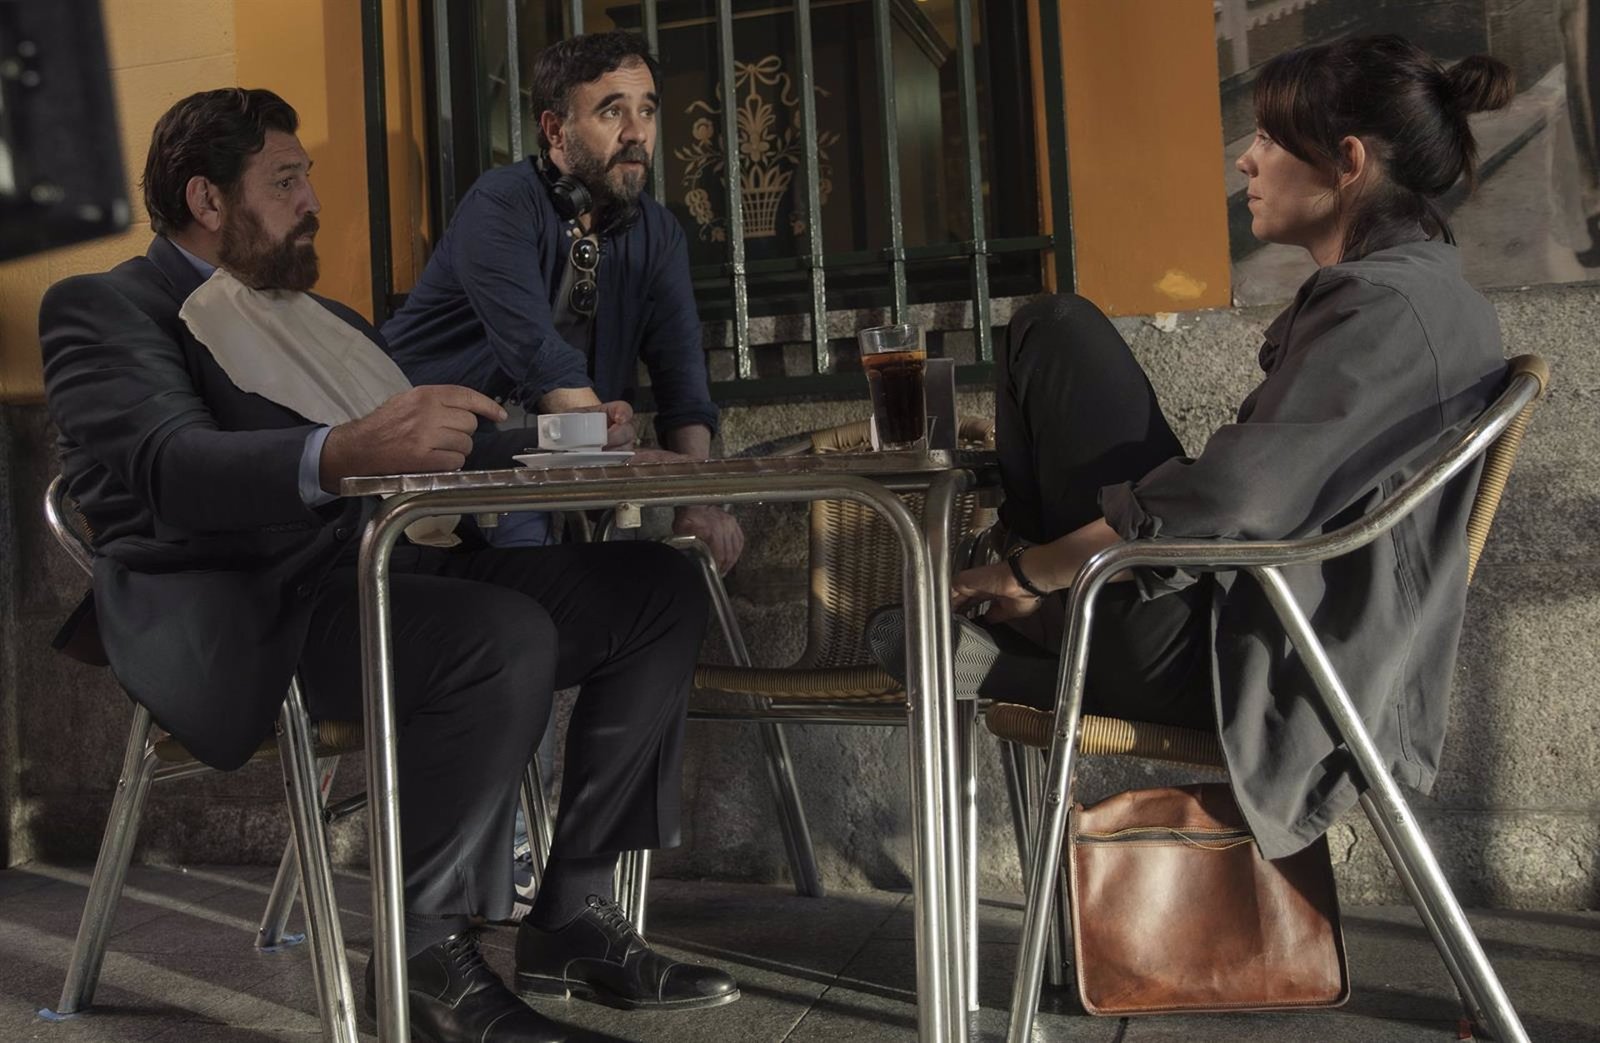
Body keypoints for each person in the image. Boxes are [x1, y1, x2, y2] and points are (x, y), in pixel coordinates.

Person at [40, 88, 738, 1043]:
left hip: (390, 571)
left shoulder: (324, 318)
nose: (312, 202)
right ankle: (424, 961)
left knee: (656, 588)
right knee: (497, 636)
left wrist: (576, 446)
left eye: (307, 178)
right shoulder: (105, 307)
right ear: (207, 199)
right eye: (285, 181)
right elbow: (170, 466)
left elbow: (425, 451)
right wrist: (338, 452)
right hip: (250, 608)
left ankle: (573, 913)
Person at [871, 36, 1515, 860]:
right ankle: (1041, 628)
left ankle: (1032, 628)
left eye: (1270, 139)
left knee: (1053, 329)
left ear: (1348, 162)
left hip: (1256, 664)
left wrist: (1024, 570)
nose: (1247, 159)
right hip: (1269, 636)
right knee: (1058, 345)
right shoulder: (1425, 293)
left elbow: (1233, 498)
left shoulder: (1387, 309)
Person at [382, 30, 745, 571]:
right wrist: (610, 446)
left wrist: (697, 499)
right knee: (549, 580)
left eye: (647, 111)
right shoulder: (501, 204)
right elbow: (537, 355)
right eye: (612, 111)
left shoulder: (658, 232)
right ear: (555, 129)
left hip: (566, 462)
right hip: (445, 463)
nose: (636, 132)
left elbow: (682, 376)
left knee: (661, 584)